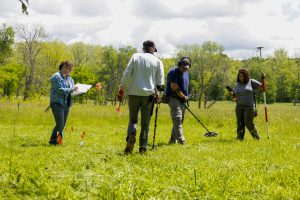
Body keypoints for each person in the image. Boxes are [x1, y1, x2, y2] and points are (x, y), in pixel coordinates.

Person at [118, 40, 164, 154]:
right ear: (153, 49)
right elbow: (160, 82)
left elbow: (127, 73)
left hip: (134, 93)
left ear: (143, 48)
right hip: (148, 96)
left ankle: (131, 135)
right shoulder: (158, 61)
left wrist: (122, 87)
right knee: (145, 123)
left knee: (133, 120)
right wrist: (159, 95)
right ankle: (143, 147)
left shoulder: (135, 56)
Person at [228, 68, 262, 140]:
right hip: (239, 106)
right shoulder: (237, 84)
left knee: (248, 123)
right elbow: (235, 97)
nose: (241, 78)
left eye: (243, 76)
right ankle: (239, 138)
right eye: (240, 76)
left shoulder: (251, 82)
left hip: (249, 106)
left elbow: (262, 87)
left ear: (246, 76)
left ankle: (257, 138)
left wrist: (263, 79)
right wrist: (232, 94)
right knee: (240, 123)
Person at [49, 61, 78, 145]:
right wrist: (72, 89)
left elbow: (72, 91)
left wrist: (81, 91)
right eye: (68, 68)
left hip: (67, 103)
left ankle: (54, 140)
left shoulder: (70, 79)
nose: (69, 70)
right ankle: (56, 141)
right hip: (57, 102)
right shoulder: (55, 77)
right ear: (63, 67)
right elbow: (60, 90)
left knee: (62, 124)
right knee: (60, 124)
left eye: (70, 69)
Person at [165, 57, 191, 145]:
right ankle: (181, 141)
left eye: (187, 68)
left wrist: (185, 97)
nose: (185, 69)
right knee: (177, 118)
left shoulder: (186, 72)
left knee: (179, 120)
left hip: (182, 99)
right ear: (179, 65)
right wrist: (184, 97)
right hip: (173, 98)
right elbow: (174, 87)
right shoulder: (173, 72)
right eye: (183, 67)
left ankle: (172, 140)